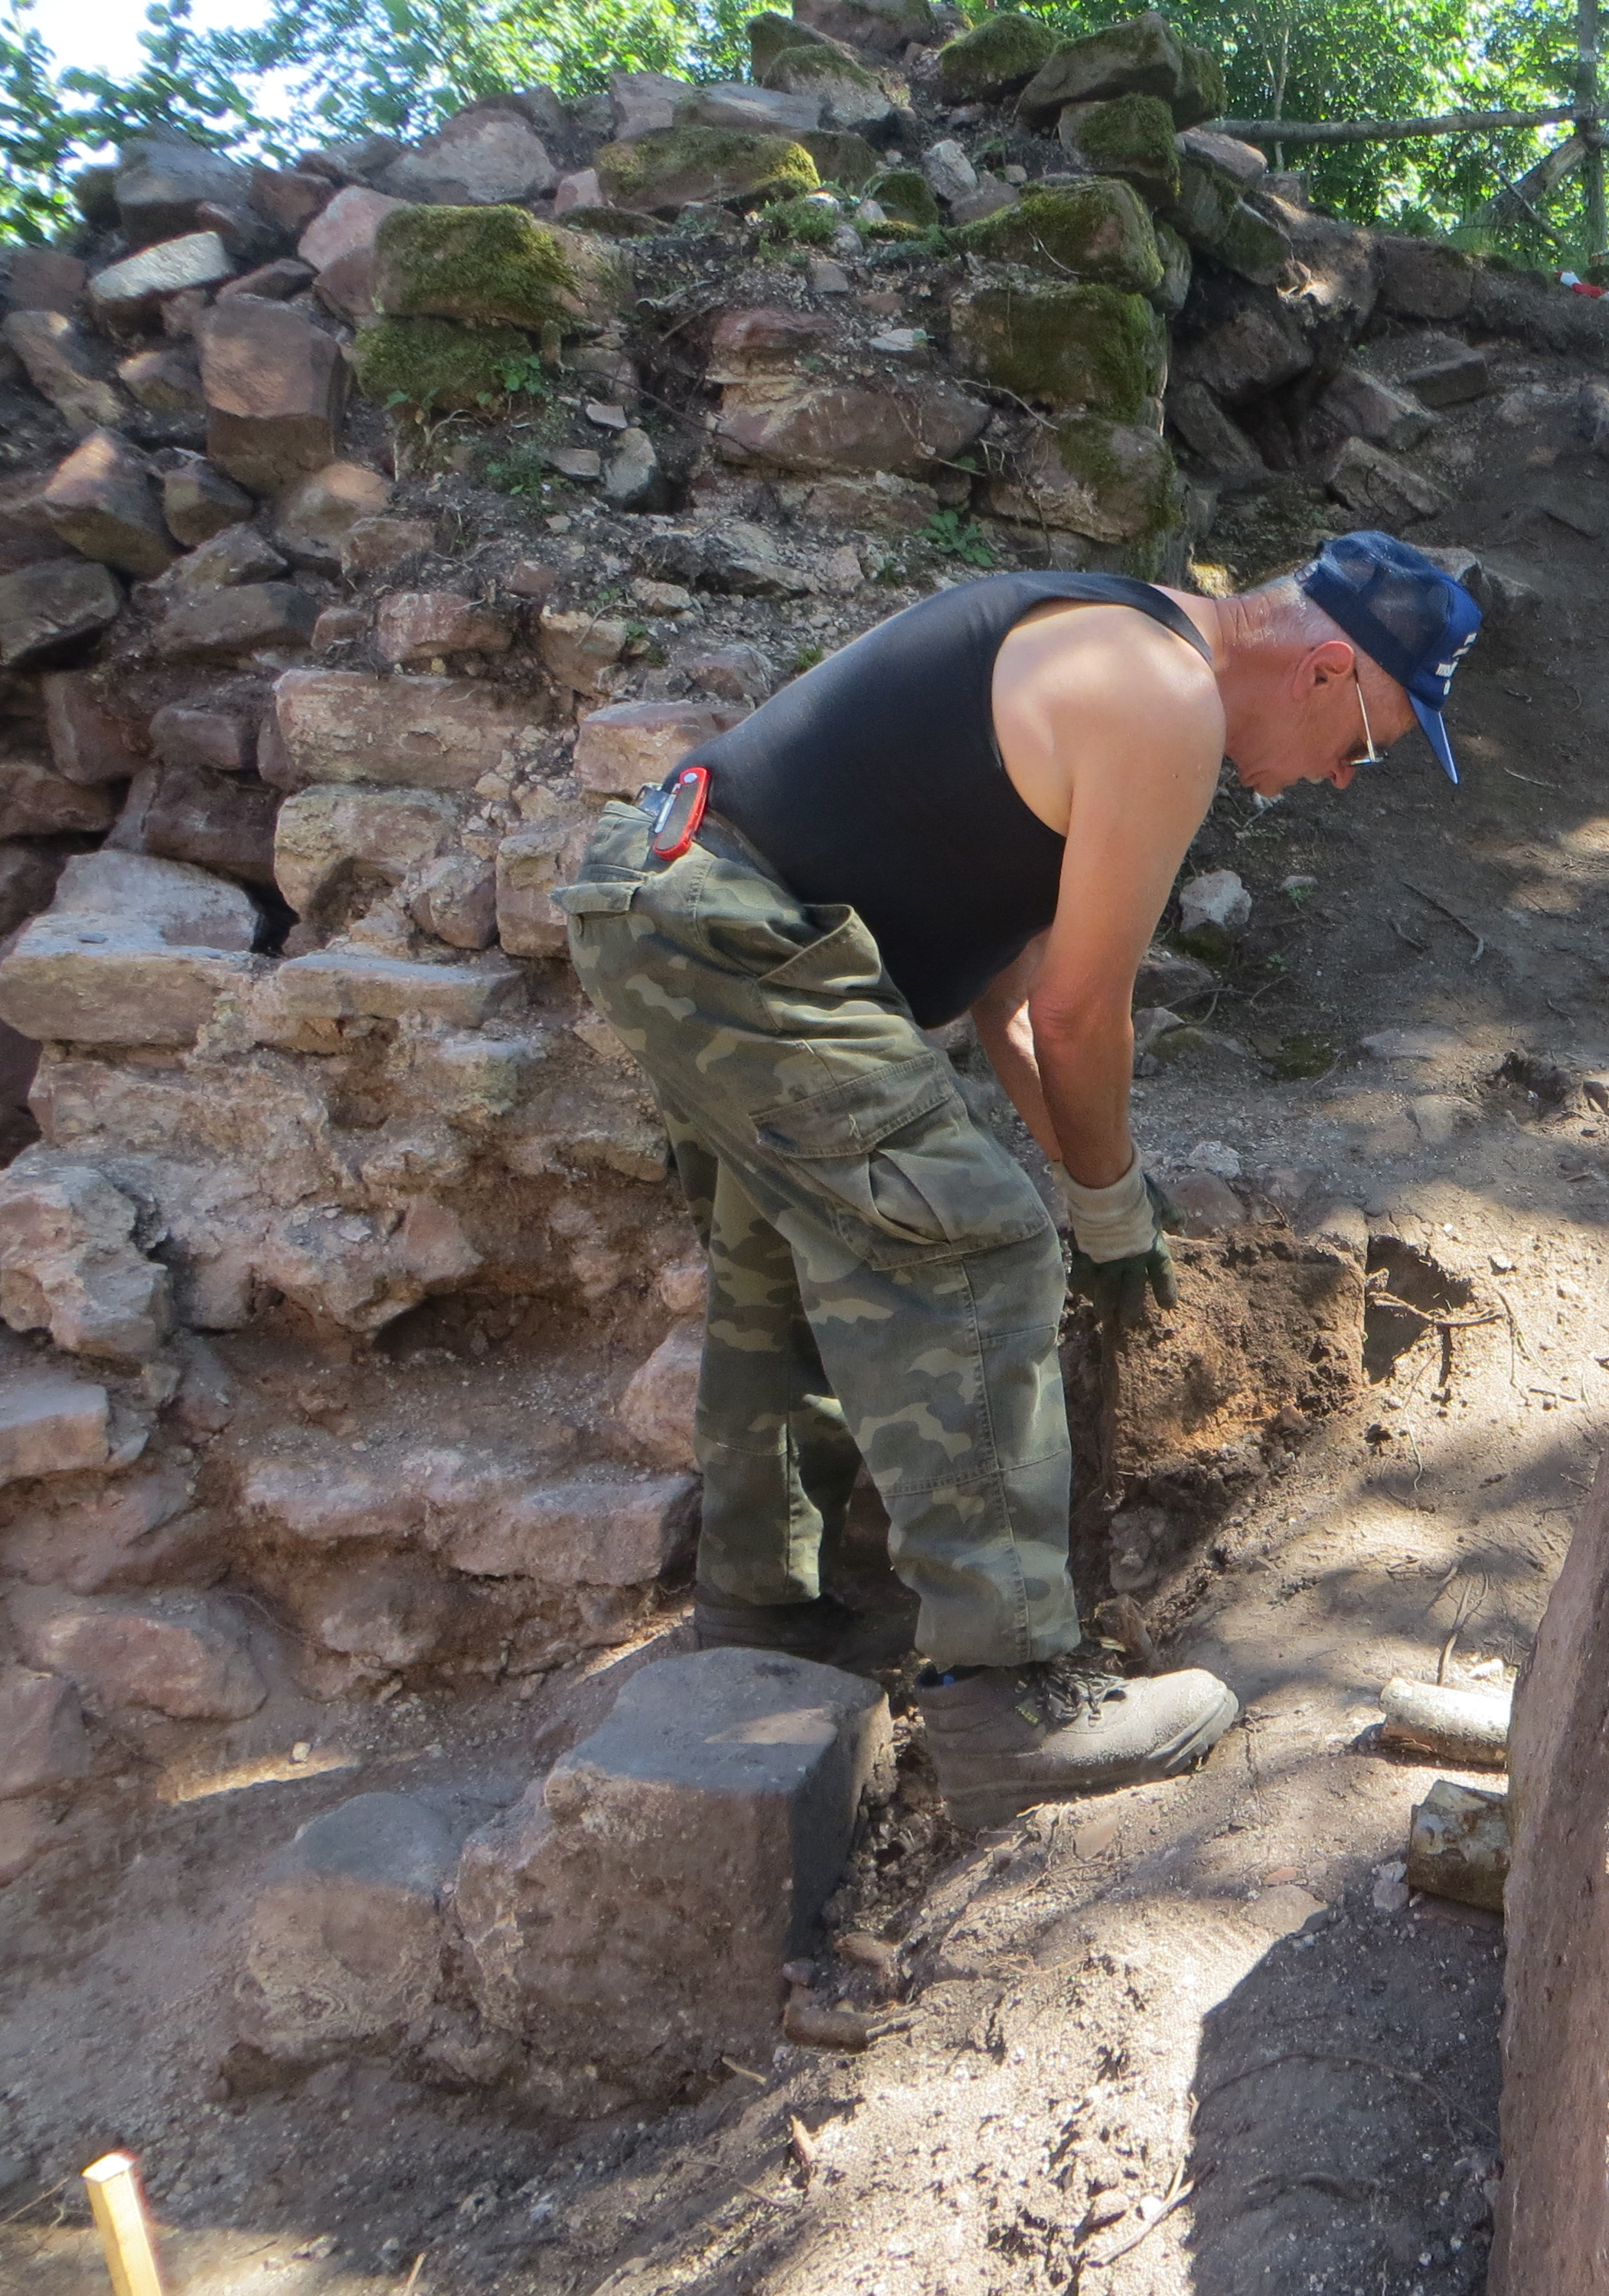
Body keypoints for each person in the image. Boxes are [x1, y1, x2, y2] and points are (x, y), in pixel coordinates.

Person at [553, 532, 1482, 1818]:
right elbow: (1084, 1014)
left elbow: (1014, 997)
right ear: (1328, 670)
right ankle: (1010, 1702)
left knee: (795, 1243)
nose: (1341, 777)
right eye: (1367, 745)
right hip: (731, 924)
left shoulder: (1110, 646)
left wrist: (1102, 1191)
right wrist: (1101, 1208)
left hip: (669, 894)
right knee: (976, 1248)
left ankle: (772, 1614)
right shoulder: (1163, 697)